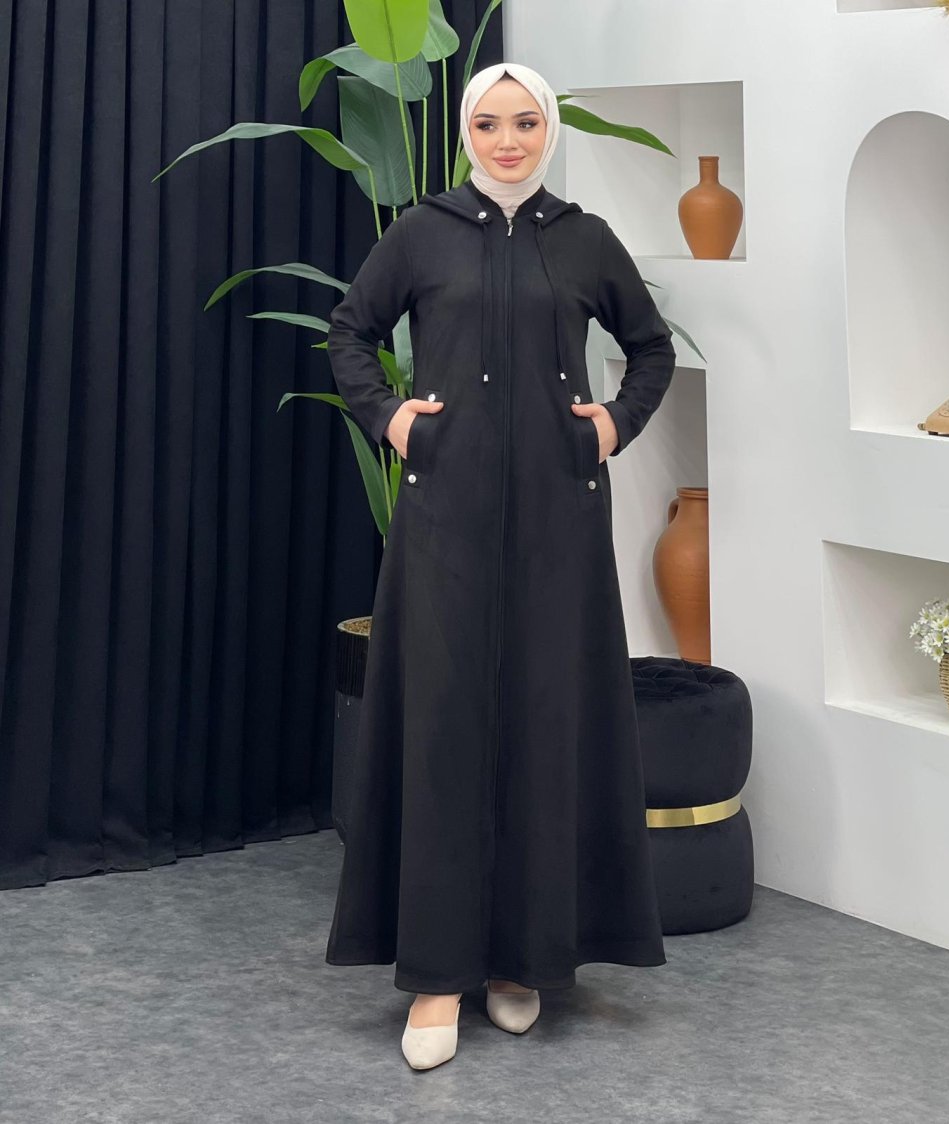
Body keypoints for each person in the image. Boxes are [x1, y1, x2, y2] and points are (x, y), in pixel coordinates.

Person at [325, 61, 677, 1071]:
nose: (508, 140)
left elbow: (649, 349)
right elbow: (350, 332)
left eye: (525, 123)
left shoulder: (583, 238)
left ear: (548, 130)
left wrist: (612, 424)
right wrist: (392, 418)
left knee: (542, 722)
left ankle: (524, 959)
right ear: (466, 133)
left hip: (561, 522)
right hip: (446, 517)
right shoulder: (422, 231)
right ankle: (439, 974)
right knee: (443, 728)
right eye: (488, 124)